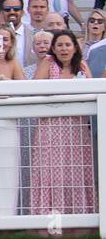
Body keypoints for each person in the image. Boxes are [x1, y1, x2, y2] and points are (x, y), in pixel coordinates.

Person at [30, 31, 95, 215]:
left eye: (68, 45)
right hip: (50, 127)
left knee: (75, 173)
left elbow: (92, 89)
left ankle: (79, 222)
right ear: (54, 48)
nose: (64, 49)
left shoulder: (81, 66)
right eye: (60, 45)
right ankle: (49, 224)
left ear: (75, 48)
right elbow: (34, 89)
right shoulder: (48, 63)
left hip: (76, 128)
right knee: (51, 172)